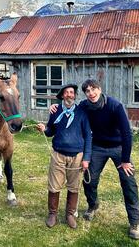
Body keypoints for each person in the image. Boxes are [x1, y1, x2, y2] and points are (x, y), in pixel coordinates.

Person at [50, 79, 139, 240]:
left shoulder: (115, 106)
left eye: (94, 89)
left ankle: (134, 222)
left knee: (128, 182)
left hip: (118, 147)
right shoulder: (85, 106)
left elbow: (127, 134)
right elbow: (70, 107)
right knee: (89, 180)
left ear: (100, 89)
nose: (91, 93)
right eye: (88, 91)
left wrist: (125, 160)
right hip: (98, 147)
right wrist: (55, 106)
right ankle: (92, 205)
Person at [36, 84, 92, 229]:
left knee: (74, 187)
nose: (69, 95)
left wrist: (86, 158)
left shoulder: (81, 112)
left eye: (72, 92)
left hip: (77, 156)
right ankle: (52, 214)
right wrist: (44, 129)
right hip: (58, 155)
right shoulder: (55, 111)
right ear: (62, 96)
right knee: (54, 186)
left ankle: (69, 215)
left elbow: (88, 136)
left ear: (74, 95)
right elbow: (50, 131)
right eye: (66, 93)